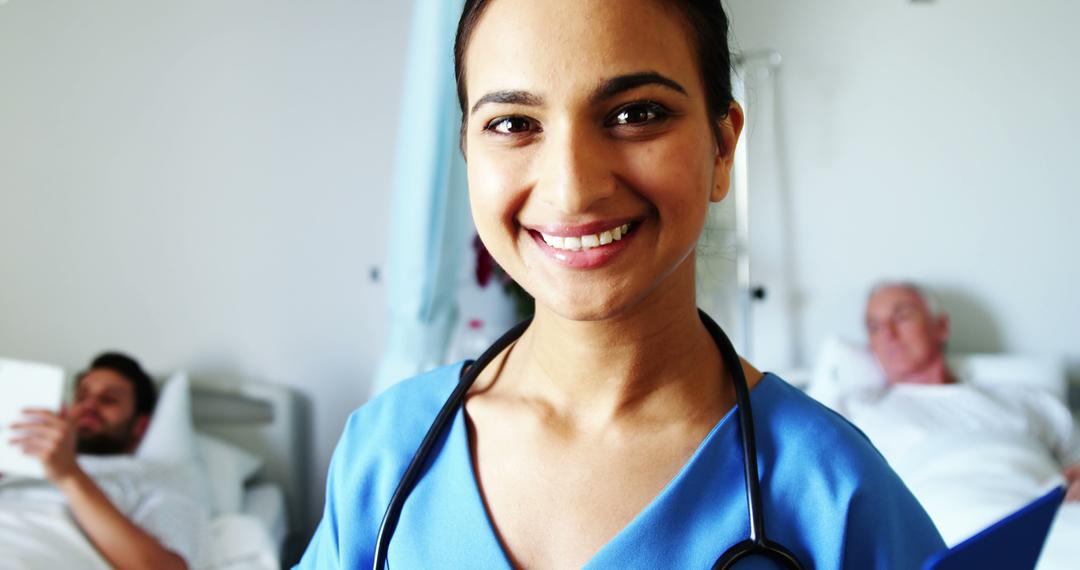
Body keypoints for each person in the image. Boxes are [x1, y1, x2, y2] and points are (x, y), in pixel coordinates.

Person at [298, 1, 945, 567]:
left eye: (635, 113)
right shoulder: (386, 453)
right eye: (514, 124)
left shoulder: (832, 490)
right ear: (468, 149)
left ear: (722, 148)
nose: (572, 187)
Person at [3, 352, 199, 569]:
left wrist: (69, 475)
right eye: (81, 397)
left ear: (140, 426)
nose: (88, 406)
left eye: (108, 400)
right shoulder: (17, 467)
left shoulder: (157, 479)